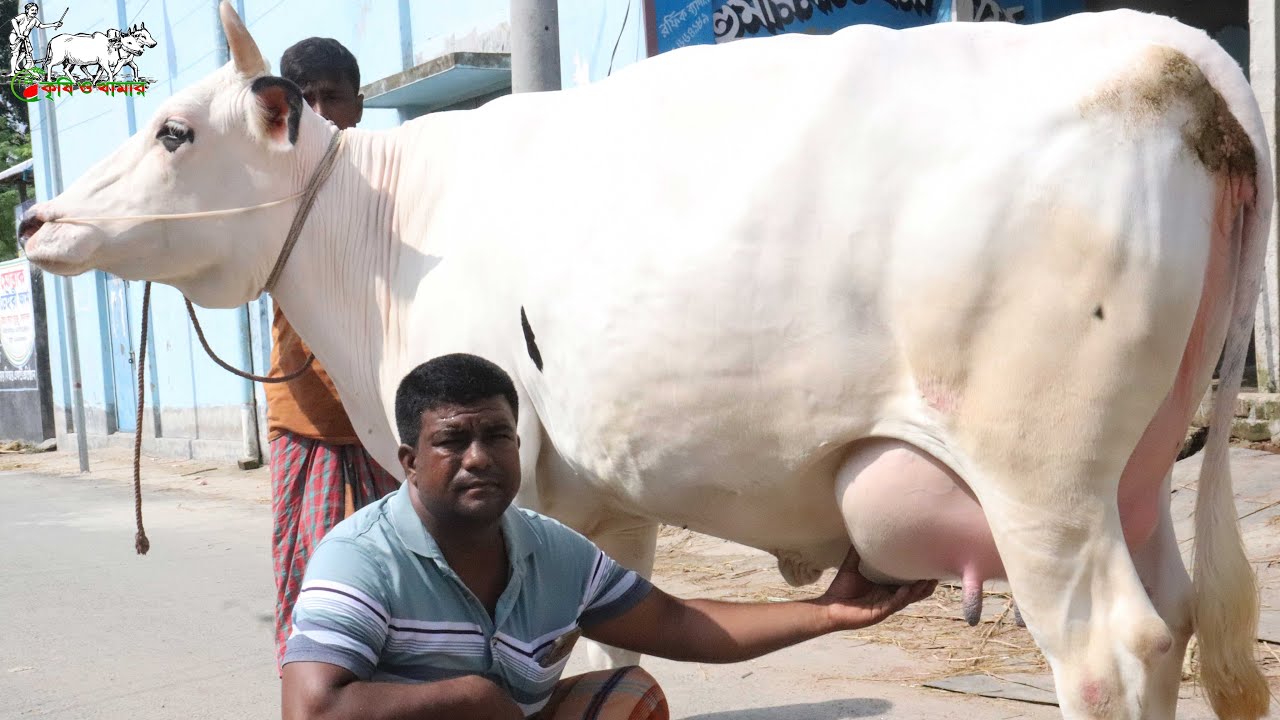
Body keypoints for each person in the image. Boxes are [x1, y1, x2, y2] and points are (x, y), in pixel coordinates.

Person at [281, 353, 938, 719]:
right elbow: (310, 711)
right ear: (409, 461)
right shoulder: (361, 559)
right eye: (452, 440)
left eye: (496, 436)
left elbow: (677, 624)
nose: (478, 456)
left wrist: (826, 611)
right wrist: (470, 699)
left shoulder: (549, 550)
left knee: (627, 697)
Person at [268, 37, 394, 676]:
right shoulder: (269, 190)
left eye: (332, 96)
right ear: (284, 112)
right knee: (316, 571)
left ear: (359, 104)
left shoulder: (392, 181)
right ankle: (317, 694)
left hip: (395, 414)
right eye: (305, 100)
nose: (320, 111)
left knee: (411, 569)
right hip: (309, 414)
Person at [9, 2, 61, 76]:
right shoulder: (23, 16)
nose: (34, 12)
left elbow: (41, 26)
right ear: (27, 10)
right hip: (15, 36)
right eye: (32, 10)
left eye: (36, 10)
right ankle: (13, 72)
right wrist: (19, 34)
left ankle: (17, 66)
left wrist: (54, 24)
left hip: (24, 38)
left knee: (25, 52)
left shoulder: (34, 20)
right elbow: (13, 21)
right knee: (15, 54)